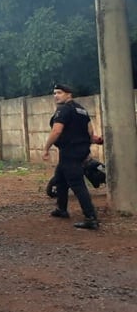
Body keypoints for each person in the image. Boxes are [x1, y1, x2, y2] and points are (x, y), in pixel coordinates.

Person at [41, 83, 100, 230]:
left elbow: (56, 131)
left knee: (77, 185)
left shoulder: (64, 110)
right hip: (81, 150)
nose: (56, 96)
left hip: (70, 152)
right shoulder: (82, 110)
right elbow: (90, 133)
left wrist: (46, 148)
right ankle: (61, 209)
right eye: (54, 93)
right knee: (60, 178)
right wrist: (97, 140)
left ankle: (91, 218)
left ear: (69, 94)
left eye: (59, 93)